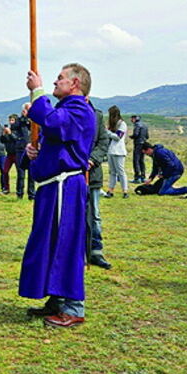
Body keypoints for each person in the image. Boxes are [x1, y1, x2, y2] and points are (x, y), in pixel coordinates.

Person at [20, 64, 96, 328]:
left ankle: (74, 307)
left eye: (60, 78)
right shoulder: (66, 109)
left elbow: (53, 123)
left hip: (66, 187)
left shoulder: (80, 110)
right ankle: (56, 300)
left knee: (66, 243)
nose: (55, 81)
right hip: (52, 186)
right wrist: (32, 154)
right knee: (49, 242)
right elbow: (53, 140)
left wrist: (37, 91)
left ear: (75, 83)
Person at [86, 100, 112, 270]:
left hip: (92, 174)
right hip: (69, 175)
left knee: (94, 215)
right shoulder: (66, 113)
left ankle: (96, 251)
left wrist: (92, 160)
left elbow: (103, 141)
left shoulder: (97, 115)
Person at [105, 105, 129, 198]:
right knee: (112, 172)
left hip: (119, 151)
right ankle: (110, 190)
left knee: (121, 172)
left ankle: (125, 191)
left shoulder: (122, 124)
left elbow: (118, 137)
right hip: (111, 151)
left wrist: (107, 132)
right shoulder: (113, 125)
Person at [129, 115, 149, 183]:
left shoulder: (137, 125)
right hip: (144, 144)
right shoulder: (145, 125)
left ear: (134, 119)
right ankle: (143, 177)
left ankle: (137, 177)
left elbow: (136, 134)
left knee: (136, 160)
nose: (131, 120)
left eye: (132, 119)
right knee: (141, 160)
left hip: (138, 144)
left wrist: (131, 137)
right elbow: (147, 136)